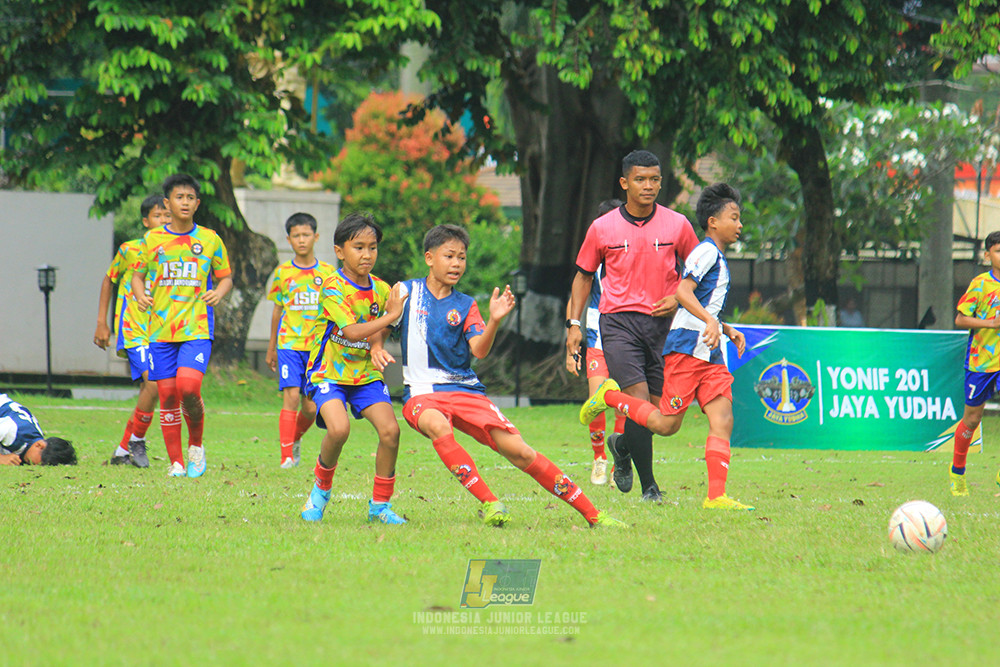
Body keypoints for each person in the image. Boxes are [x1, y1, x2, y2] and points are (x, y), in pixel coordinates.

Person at [389, 224, 625, 528]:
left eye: (462, 257)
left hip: (465, 391)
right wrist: (376, 348)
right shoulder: (405, 291)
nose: (457, 264)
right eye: (449, 256)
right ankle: (490, 502)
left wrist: (495, 321)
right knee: (437, 425)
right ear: (429, 258)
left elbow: (480, 350)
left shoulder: (466, 304)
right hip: (421, 392)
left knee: (521, 452)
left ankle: (594, 515)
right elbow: (382, 325)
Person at [580, 183, 754, 510]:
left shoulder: (713, 254)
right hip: (688, 348)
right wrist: (712, 322)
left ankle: (716, 497)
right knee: (665, 425)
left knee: (723, 417)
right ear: (713, 222)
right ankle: (608, 396)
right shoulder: (704, 251)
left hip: (710, 351)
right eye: (734, 217)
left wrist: (725, 327)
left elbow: (701, 302)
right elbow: (684, 293)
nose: (739, 224)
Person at [566, 150, 700, 502]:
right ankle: (650, 488)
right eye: (640, 179)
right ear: (625, 183)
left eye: (655, 179)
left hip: (664, 328)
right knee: (639, 402)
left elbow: (700, 271)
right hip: (618, 325)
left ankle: (621, 445)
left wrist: (678, 297)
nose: (649, 186)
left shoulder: (678, 224)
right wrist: (574, 324)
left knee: (659, 415)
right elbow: (582, 277)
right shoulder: (603, 227)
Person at [298, 212, 409, 525]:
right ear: (339, 251)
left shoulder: (382, 289)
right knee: (339, 429)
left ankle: (380, 507)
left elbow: (376, 331)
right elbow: (351, 331)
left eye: (372, 247)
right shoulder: (333, 287)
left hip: (364, 375)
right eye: (358, 247)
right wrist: (390, 316)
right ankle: (320, 492)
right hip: (328, 373)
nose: (367, 254)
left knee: (390, 432)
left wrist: (376, 347)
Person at [132, 173, 233, 478]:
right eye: (179, 197)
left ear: (197, 203)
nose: (185, 202)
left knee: (189, 388)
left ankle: (196, 446)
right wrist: (140, 296)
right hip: (161, 330)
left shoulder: (210, 239)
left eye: (190, 198)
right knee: (168, 396)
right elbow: (137, 275)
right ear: (167, 202)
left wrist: (219, 291)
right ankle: (176, 462)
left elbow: (226, 276)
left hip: (197, 328)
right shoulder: (152, 240)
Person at [93, 193, 171, 467]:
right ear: (145, 221)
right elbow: (109, 280)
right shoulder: (131, 249)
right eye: (157, 215)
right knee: (153, 383)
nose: (163, 220)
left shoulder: (175, 251)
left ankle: (123, 450)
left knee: (152, 389)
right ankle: (135, 442)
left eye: (167, 216)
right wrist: (102, 322)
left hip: (162, 332)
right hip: (134, 329)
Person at [265, 212, 335, 469]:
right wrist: (271, 347)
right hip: (289, 345)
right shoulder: (283, 272)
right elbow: (277, 310)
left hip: (317, 348)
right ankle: (286, 457)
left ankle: (293, 439)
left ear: (316, 237)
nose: (302, 240)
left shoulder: (328, 273)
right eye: (296, 235)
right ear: (289, 239)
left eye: (306, 235)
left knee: (311, 407)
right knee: (291, 397)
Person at [565, 198, 626, 485]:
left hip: (628, 338)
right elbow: (577, 296)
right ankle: (598, 459)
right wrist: (571, 335)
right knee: (597, 400)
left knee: (623, 404)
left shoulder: (635, 255)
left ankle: (619, 465)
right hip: (598, 337)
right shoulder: (594, 258)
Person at [950, 230, 1000, 496]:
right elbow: (960, 319)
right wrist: (990, 323)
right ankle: (957, 473)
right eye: (999, 251)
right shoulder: (981, 284)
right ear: (987, 255)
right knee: (972, 418)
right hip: (981, 362)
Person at [0, 394, 77, 466]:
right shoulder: (13, 430)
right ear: (39, 445)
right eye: (41, 463)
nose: (35, 466)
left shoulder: (33, 439)